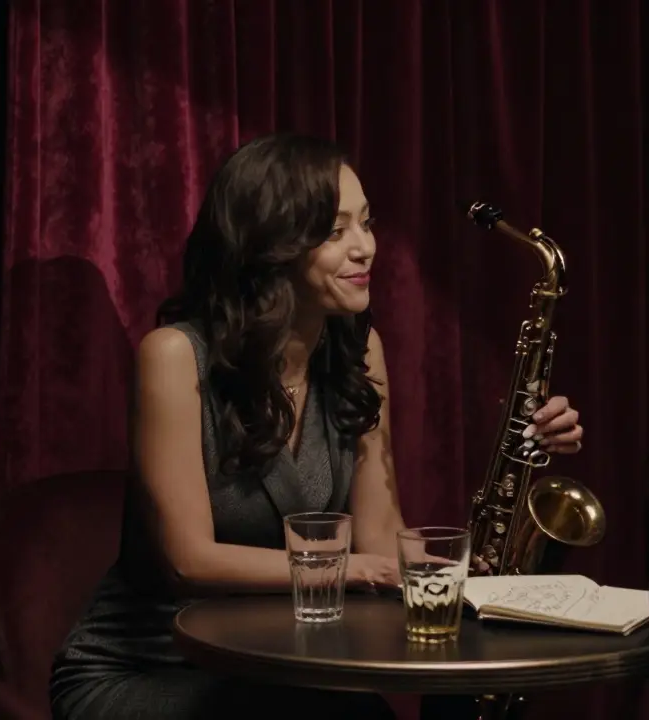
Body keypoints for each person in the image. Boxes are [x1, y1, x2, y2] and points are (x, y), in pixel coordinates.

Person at [50, 133, 586, 720]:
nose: (366, 249)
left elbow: (381, 538)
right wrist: (358, 568)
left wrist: (521, 451)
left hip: (275, 668)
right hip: (148, 670)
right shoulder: (175, 356)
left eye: (367, 223)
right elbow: (189, 560)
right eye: (335, 232)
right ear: (271, 245)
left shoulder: (361, 352)